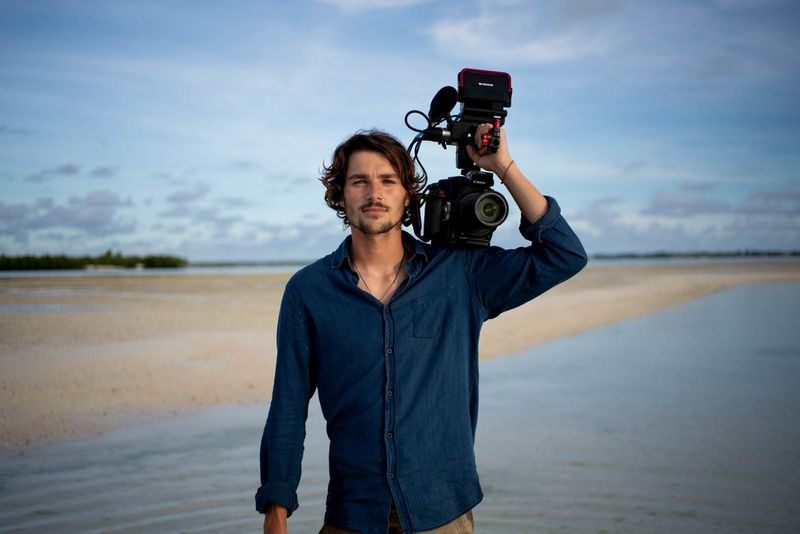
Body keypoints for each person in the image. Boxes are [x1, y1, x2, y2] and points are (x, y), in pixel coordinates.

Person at [256, 124, 587, 534]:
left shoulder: (461, 274)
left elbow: (565, 255)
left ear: (408, 194)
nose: (374, 193)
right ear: (340, 194)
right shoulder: (308, 291)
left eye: (388, 181)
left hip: (443, 513)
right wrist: (276, 509)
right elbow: (288, 403)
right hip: (352, 514)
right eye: (359, 181)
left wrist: (503, 166)